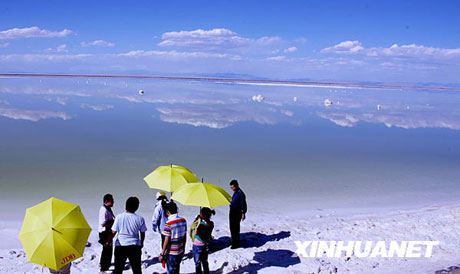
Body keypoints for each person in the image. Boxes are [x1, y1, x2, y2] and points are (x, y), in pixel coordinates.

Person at [112, 197, 147, 274]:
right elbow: (142, 232)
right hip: (134, 246)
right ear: (136, 207)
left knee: (118, 269)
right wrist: (142, 243)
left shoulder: (119, 217)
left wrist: (107, 240)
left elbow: (113, 232)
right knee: (137, 269)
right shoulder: (140, 218)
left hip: (121, 246)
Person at [159, 201, 187, 274]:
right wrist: (183, 248)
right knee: (177, 269)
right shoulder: (183, 220)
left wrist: (162, 253)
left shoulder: (168, 223)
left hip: (171, 252)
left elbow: (166, 240)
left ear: (167, 212)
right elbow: (184, 236)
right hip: (180, 250)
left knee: (170, 270)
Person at [191, 207, 215, 274]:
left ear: (203, 215)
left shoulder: (201, 225)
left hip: (197, 245)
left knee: (197, 263)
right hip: (205, 244)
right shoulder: (211, 224)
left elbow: (196, 232)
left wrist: (198, 222)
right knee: (205, 261)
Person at [98, 194, 115, 273]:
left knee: (106, 249)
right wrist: (113, 222)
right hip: (104, 232)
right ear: (106, 202)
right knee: (107, 249)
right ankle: (104, 267)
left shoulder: (107, 208)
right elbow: (103, 224)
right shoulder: (104, 210)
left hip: (106, 231)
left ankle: (103, 264)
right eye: (111, 201)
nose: (113, 202)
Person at [229, 179, 247, 249]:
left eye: (233, 187)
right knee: (232, 227)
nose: (232, 189)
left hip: (237, 212)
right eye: (231, 188)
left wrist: (243, 213)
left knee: (235, 228)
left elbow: (243, 204)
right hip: (232, 211)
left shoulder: (240, 193)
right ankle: (234, 240)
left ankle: (236, 244)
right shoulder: (235, 192)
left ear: (236, 186)